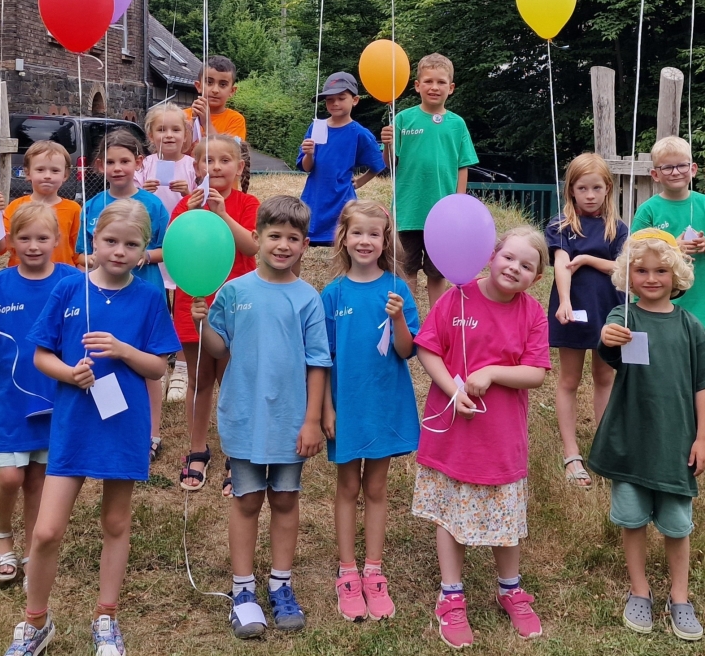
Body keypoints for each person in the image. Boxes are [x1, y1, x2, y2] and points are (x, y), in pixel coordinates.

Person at [3, 199, 181, 656]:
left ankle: (107, 618)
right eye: (110, 241)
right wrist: (68, 373)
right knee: (46, 531)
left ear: (145, 252)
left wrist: (123, 350)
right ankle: (35, 622)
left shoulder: (147, 298)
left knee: (116, 522)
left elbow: (158, 367)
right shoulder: (69, 290)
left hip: (123, 425)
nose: (119, 252)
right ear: (93, 242)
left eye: (131, 245)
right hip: (74, 424)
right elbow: (41, 354)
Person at [191, 195, 330, 639]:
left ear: (306, 244)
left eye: (293, 238)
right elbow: (218, 349)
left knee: (286, 500)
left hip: (291, 420)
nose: (283, 245)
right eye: (275, 236)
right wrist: (202, 323)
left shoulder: (309, 298)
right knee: (247, 501)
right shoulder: (234, 292)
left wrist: (312, 420)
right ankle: (243, 591)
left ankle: (281, 585)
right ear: (256, 239)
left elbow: (318, 363)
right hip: (244, 416)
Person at [590, 229, 705, 641]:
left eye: (660, 271)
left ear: (676, 275)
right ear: (627, 276)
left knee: (677, 525)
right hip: (630, 440)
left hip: (676, 444)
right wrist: (607, 336)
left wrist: (703, 437)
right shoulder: (625, 317)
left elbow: (702, 384)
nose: (651, 278)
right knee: (632, 520)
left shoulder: (690, 325)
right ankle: (639, 591)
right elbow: (609, 340)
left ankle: (680, 596)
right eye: (641, 270)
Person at [412, 227, 550, 648]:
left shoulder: (533, 314)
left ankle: (510, 588)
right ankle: (451, 596)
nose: (515, 268)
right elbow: (427, 348)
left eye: (527, 266)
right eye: (509, 258)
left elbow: (536, 373)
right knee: (450, 514)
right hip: (453, 434)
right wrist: (453, 390)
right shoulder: (456, 296)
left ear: (537, 278)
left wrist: (491, 373)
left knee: (506, 521)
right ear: (492, 255)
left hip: (501, 440)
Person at [0, 203, 80, 586]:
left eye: (42, 238)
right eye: (24, 238)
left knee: (39, 480)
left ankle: (33, 551)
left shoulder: (70, 280)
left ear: (57, 240)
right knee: (11, 477)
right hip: (8, 399)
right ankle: (1, 539)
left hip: (53, 397)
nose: (33, 246)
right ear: (11, 241)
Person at [320, 200, 420, 622]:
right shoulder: (332, 293)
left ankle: (373, 572)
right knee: (347, 487)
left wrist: (398, 318)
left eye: (374, 234)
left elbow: (407, 350)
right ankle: (347, 572)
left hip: (384, 404)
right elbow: (320, 357)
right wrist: (325, 408)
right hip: (346, 407)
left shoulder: (397, 289)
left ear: (384, 241)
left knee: (376, 489)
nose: (366, 241)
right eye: (358, 233)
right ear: (344, 237)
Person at [172, 135, 259, 497]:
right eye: (206, 161)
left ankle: (236, 453)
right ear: (196, 169)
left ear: (239, 167)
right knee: (198, 378)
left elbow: (253, 246)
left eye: (225, 160)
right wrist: (191, 212)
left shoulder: (247, 203)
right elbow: (178, 246)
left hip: (235, 305)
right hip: (192, 301)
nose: (216, 167)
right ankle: (197, 449)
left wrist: (222, 214)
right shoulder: (183, 207)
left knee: (232, 381)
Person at [76, 127, 170, 462]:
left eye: (125, 161)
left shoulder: (153, 205)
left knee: (145, 361)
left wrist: (143, 255)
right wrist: (94, 258)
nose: (118, 168)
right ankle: (112, 423)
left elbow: (167, 249)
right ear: (100, 166)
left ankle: (152, 433)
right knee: (108, 358)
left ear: (139, 163)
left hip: (143, 293)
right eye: (111, 161)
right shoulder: (91, 206)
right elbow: (82, 254)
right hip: (104, 296)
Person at [547, 153, 627, 489]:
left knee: (605, 376)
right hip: (574, 311)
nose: (590, 195)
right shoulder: (561, 226)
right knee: (569, 380)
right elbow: (563, 264)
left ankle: (603, 447)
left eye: (597, 188)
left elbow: (624, 268)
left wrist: (592, 260)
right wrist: (564, 301)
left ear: (608, 189)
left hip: (608, 309)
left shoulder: (618, 228)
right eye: (583, 188)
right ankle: (571, 454)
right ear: (571, 190)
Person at [380, 53, 478, 308]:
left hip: (443, 214)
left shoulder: (457, 124)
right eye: (428, 81)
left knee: (437, 272)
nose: (435, 87)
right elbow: (390, 164)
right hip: (408, 209)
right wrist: (387, 145)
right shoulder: (402, 119)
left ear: (451, 88)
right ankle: (408, 319)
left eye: (441, 82)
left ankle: (438, 321)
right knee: (407, 268)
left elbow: (463, 166)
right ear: (417, 85)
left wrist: (458, 204)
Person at [631, 136, 705, 332]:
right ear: (655, 174)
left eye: (681, 166)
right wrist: (672, 247)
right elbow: (634, 253)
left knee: (692, 354)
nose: (676, 172)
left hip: (695, 301)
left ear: (693, 169)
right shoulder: (648, 209)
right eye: (667, 168)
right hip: (653, 298)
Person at [134, 103, 196, 404]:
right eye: (162, 129)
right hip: (150, 246)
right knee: (155, 304)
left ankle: (182, 366)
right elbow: (130, 204)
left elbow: (204, 203)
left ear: (186, 134)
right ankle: (156, 358)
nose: (169, 135)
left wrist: (188, 193)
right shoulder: (143, 166)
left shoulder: (191, 165)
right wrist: (142, 190)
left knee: (182, 305)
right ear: (150, 134)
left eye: (175, 129)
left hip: (183, 245)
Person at [298, 72, 386, 252]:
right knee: (299, 241)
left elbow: (378, 164)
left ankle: (345, 280)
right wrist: (308, 154)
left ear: (354, 100)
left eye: (341, 98)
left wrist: (360, 181)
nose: (335, 103)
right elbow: (307, 167)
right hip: (313, 198)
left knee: (345, 245)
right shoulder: (317, 127)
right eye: (330, 99)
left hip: (342, 201)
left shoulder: (359, 133)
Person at [0, 140, 82, 268]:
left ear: (65, 175)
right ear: (28, 173)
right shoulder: (16, 207)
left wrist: (80, 282)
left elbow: (80, 254)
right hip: (23, 281)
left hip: (61, 282)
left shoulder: (74, 209)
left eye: (55, 170)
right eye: (40, 170)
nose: (47, 176)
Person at [187, 54, 251, 193]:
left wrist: (207, 122)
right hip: (188, 189)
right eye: (209, 82)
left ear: (232, 91)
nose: (215, 90)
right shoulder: (183, 116)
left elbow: (229, 153)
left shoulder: (236, 119)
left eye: (223, 84)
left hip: (224, 193)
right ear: (198, 86)